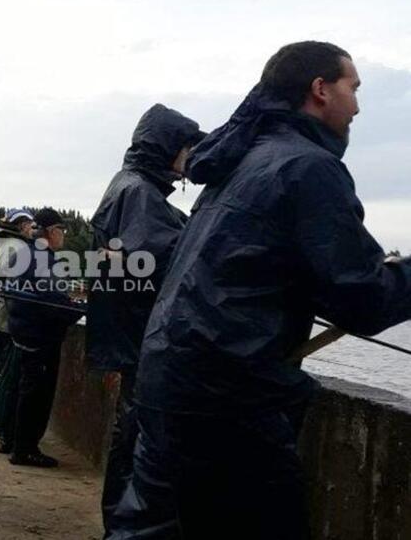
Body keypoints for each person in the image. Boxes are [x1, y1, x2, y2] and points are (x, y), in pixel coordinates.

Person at [111, 41, 411, 540]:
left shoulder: (240, 164)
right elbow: (363, 299)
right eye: (353, 88)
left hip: (168, 381)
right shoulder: (307, 167)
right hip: (226, 402)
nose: (357, 105)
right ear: (320, 90)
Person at [88, 104, 205, 536]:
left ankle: (117, 526)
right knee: (137, 447)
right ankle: (121, 529)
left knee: (131, 441)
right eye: (189, 147)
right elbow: (166, 260)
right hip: (142, 341)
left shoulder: (129, 185)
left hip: (128, 337)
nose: (193, 157)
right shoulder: (139, 193)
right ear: (169, 147)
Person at [6, 208, 84, 468]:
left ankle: (17, 443)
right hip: (39, 335)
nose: (64, 236)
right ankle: (25, 450)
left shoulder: (26, 252)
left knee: (26, 389)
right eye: (62, 230)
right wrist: (79, 310)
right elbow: (51, 303)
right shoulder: (43, 258)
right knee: (36, 394)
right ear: (52, 232)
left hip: (25, 331)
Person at [0, 209, 35, 453]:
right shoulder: (18, 247)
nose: (33, 229)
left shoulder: (0, 244)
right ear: (22, 225)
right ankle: (4, 431)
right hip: (9, 318)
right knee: (8, 377)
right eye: (30, 225)